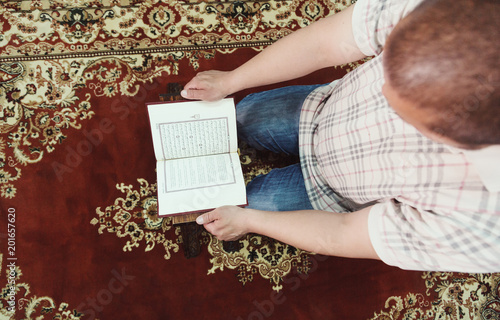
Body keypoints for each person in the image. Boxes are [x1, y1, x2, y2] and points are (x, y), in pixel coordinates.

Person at [180, 0, 500, 272]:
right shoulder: (455, 12)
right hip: (322, 111)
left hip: (333, 194)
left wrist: (248, 222)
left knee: (246, 205)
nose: (383, 91)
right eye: (388, 68)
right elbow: (324, 43)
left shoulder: (486, 227)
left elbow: (343, 235)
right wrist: (231, 80)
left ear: (457, 142)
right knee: (244, 114)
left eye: (403, 112)